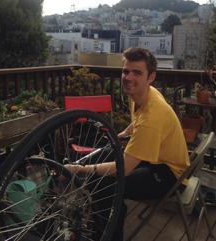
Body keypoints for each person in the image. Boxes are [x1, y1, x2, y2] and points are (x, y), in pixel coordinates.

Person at [65, 47, 190, 240]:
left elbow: (123, 169)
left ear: (151, 77)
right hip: (154, 158)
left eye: (137, 73)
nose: (128, 77)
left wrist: (80, 169)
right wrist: (123, 134)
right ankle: (100, 221)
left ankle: (108, 234)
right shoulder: (143, 94)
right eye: (125, 71)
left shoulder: (152, 118)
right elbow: (137, 123)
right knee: (104, 155)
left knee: (104, 186)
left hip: (169, 175)